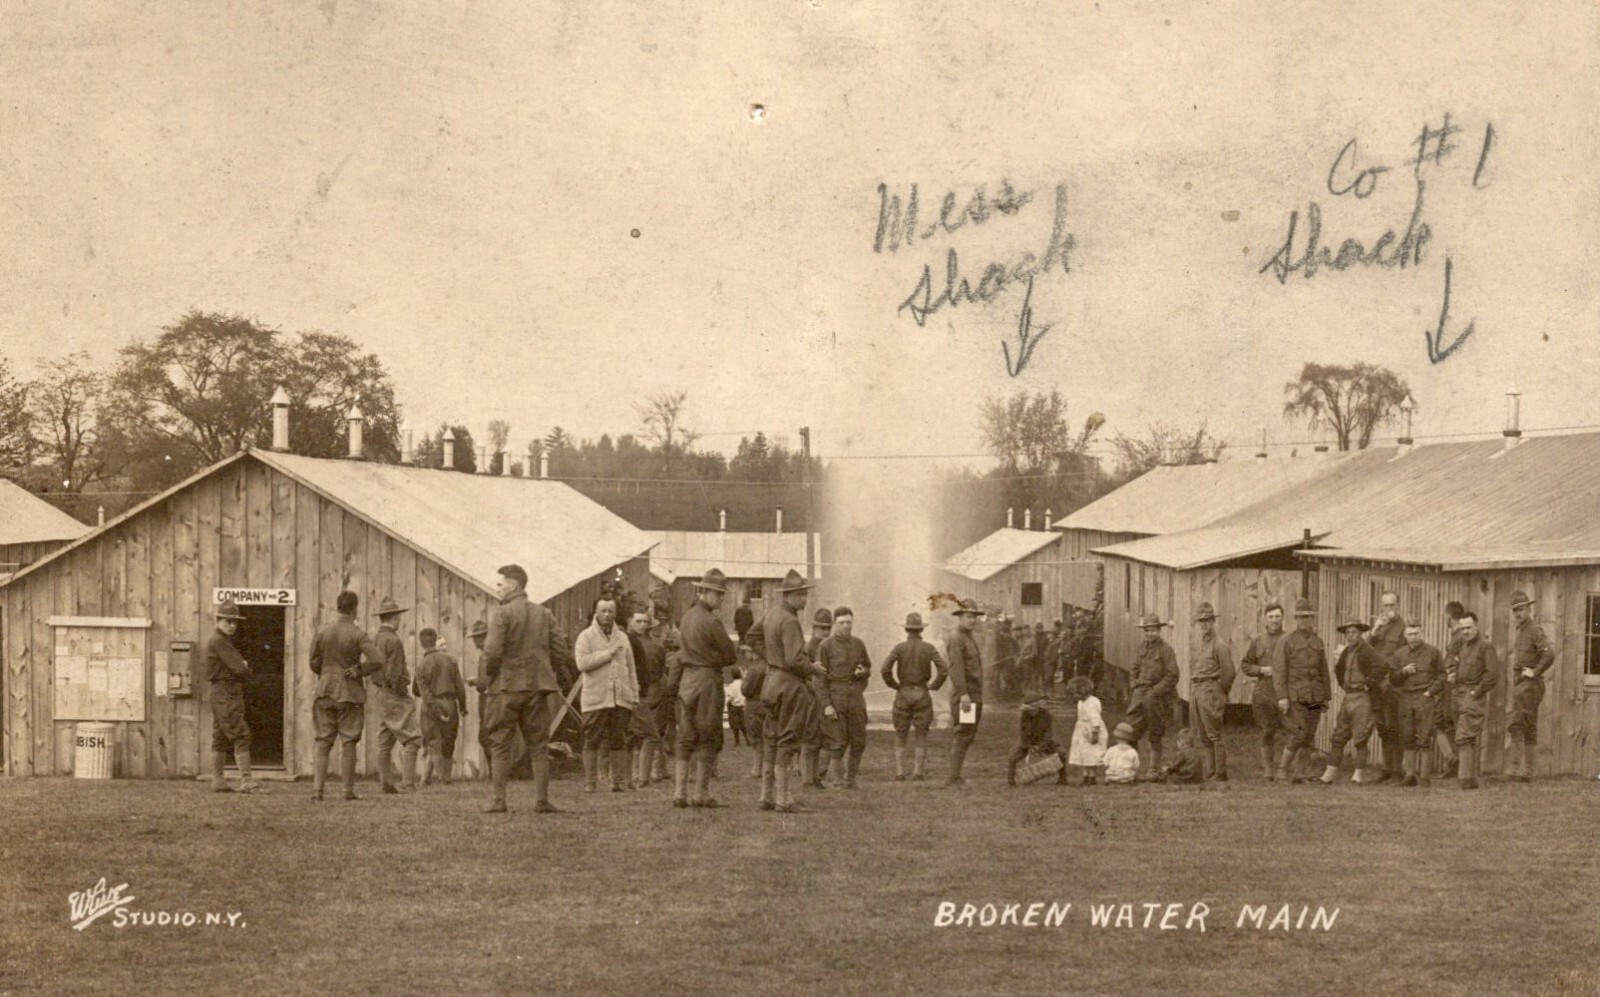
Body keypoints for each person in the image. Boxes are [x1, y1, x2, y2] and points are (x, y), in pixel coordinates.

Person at [482, 563, 574, 814]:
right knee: (538, 746)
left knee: (500, 743)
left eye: (500, 584)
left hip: (506, 688)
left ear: (512, 586)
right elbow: (561, 652)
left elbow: (491, 652)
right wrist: (545, 671)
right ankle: (542, 801)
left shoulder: (502, 614)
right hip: (536, 688)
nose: (497, 589)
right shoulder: (544, 614)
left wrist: (491, 676)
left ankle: (499, 801)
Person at [747, 569, 825, 812]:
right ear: (790, 595)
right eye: (801, 594)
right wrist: (814, 669)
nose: (805, 599)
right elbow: (795, 660)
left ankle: (766, 796)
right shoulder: (790, 620)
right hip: (789, 686)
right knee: (789, 740)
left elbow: (751, 636)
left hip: (770, 683)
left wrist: (771, 657)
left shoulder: (771, 614)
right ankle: (784, 798)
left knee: (771, 738)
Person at [673, 568, 740, 808]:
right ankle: (700, 792)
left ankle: (679, 793)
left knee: (685, 736)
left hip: (687, 680)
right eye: (719, 594)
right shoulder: (712, 621)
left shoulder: (687, 617)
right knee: (708, 736)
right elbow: (731, 655)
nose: (721, 599)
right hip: (707, 682)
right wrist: (715, 658)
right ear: (707, 593)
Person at [308, 590, 384, 801]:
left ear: (338, 607)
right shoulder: (358, 634)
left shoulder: (322, 632)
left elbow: (313, 661)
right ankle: (347, 792)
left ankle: (317, 792)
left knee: (323, 741)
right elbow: (378, 659)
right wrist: (359, 670)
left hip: (324, 691)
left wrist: (326, 675)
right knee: (349, 741)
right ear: (354, 608)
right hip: (349, 692)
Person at [575, 597, 639, 794]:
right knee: (592, 739)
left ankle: (617, 782)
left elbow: (631, 668)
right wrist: (607, 653)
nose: (607, 615)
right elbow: (582, 663)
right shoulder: (586, 637)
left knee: (618, 739)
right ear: (595, 612)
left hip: (620, 698)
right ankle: (590, 782)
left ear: (616, 614)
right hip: (595, 698)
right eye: (603, 610)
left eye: (611, 611)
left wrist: (634, 693)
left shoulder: (623, 638)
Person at [880, 612, 948, 781]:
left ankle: (900, 772)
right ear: (920, 630)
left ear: (907, 630)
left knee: (900, 732)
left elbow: (884, 669)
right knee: (921, 733)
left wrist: (894, 685)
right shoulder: (929, 648)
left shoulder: (899, 648)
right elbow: (944, 669)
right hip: (922, 693)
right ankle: (918, 772)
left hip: (903, 693)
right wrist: (934, 685)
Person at [1271, 598, 1331, 784]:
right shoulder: (1286, 641)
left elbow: (1324, 670)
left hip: (1314, 696)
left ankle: (1301, 773)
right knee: (1298, 732)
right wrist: (1282, 697)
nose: (1305, 621)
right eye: (1302, 617)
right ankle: (1281, 772)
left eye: (1309, 617)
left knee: (1309, 733)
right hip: (1296, 695)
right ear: (1296, 619)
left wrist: (1326, 696)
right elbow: (1279, 671)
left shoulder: (1317, 641)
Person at [1321, 618, 1386, 785]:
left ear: (1360, 633)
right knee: (1338, 736)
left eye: (1354, 632)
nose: (1351, 636)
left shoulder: (1367, 650)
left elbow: (1382, 666)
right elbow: (1338, 669)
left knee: (1360, 737)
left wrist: (1368, 684)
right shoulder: (1347, 651)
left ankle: (1358, 776)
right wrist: (1344, 684)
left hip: (1363, 699)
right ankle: (1329, 774)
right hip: (1348, 697)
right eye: (1348, 633)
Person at [815, 606, 872, 789]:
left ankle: (850, 780)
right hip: (835, 696)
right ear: (834, 624)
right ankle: (837, 781)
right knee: (837, 742)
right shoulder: (825, 646)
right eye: (842, 623)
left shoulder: (859, 644)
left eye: (849, 622)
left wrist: (863, 674)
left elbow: (867, 668)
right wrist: (826, 705)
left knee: (859, 740)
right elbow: (819, 679)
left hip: (855, 697)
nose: (846, 626)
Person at [206, 600, 258, 794]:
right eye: (228, 621)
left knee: (220, 736)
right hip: (226, 692)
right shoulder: (220, 641)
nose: (232, 625)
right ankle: (246, 780)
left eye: (235, 622)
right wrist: (244, 665)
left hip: (221, 692)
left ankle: (218, 780)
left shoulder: (220, 641)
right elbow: (241, 668)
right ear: (218, 620)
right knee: (241, 734)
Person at [371, 597, 422, 794]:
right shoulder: (393, 640)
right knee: (413, 739)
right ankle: (408, 783)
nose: (400, 620)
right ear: (393, 618)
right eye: (398, 616)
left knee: (385, 740)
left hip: (382, 694)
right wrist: (403, 692)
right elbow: (394, 673)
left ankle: (386, 783)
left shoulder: (376, 638)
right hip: (394, 693)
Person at [1506, 590, 1555, 782]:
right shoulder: (1521, 630)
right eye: (1515, 610)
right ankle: (1529, 772)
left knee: (1517, 724)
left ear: (1528, 609)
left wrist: (1534, 672)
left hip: (1530, 684)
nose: (1518, 613)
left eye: (1521, 609)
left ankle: (1516, 770)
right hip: (1523, 683)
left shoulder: (1534, 630)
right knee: (1529, 726)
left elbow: (1549, 654)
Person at [1126, 614, 1179, 779]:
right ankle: (1129, 768)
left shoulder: (1166, 650)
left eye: (1153, 630)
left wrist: (1156, 690)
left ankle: (1153, 769)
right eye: (1147, 630)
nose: (1150, 634)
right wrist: (1133, 682)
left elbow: (1172, 675)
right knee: (1130, 731)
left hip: (1156, 696)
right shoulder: (1141, 647)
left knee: (1155, 732)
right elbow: (1134, 668)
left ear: (1159, 630)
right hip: (1139, 695)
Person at [1392, 621, 1445, 787]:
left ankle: (1425, 777)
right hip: (1406, 699)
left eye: (1416, 634)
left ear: (1421, 633)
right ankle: (1409, 776)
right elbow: (1392, 678)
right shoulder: (1399, 655)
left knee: (1424, 738)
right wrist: (1403, 672)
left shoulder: (1433, 652)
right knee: (1407, 737)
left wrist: (1430, 692)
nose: (1413, 638)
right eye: (1410, 634)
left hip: (1424, 698)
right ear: (1405, 636)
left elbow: (1442, 676)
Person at [1449, 611, 1498, 790]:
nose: (1466, 631)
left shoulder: (1486, 647)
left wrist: (1476, 691)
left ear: (1477, 627)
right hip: (1459, 694)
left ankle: (1464, 780)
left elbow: (1493, 675)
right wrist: (1452, 673)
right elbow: (1451, 659)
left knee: (1463, 737)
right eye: (1462, 628)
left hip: (1473, 696)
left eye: (1469, 627)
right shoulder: (1461, 644)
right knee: (1468, 738)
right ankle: (1471, 780)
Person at [1240, 602, 1288, 781]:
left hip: (1284, 692)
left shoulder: (1289, 638)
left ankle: (1285, 769)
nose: (1274, 620)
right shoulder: (1258, 640)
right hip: (1264, 691)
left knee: (1291, 730)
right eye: (1271, 617)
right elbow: (1245, 664)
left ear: (1283, 617)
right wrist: (1260, 670)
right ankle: (1269, 771)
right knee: (1267, 731)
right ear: (1265, 619)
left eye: (1277, 616)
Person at [413, 627, 467, 785]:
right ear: (435, 640)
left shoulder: (421, 665)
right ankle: (432, 779)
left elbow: (420, 692)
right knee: (449, 743)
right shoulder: (451, 660)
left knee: (433, 743)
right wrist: (463, 707)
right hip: (451, 704)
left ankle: (444, 781)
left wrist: (436, 710)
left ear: (421, 644)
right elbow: (460, 687)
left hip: (431, 707)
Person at [1189, 602, 1236, 781]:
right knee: (1201, 733)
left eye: (1207, 620)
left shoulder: (1220, 645)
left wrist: (1220, 691)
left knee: (1214, 732)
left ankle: (1221, 773)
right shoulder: (1198, 641)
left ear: (1213, 621)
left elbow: (1230, 672)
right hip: (1197, 688)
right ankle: (1209, 772)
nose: (1204, 624)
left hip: (1210, 689)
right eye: (1201, 621)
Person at [1365, 591, 1407, 784]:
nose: (1389, 609)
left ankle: (1398, 770)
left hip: (1392, 682)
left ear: (1398, 606)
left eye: (1392, 605)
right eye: (1385, 606)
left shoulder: (1403, 628)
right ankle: (1387, 768)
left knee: (1394, 725)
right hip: (1376, 682)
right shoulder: (1380, 627)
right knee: (1382, 726)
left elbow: (1405, 655)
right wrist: (1375, 629)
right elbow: (1366, 648)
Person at [945, 599, 986, 786]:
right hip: (966, 696)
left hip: (974, 694)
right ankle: (954, 777)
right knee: (963, 733)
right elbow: (956, 669)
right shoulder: (956, 638)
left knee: (969, 733)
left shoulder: (968, 637)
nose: (972, 620)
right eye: (969, 616)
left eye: (974, 617)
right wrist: (963, 694)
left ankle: (956, 775)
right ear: (960, 617)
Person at [625, 608, 668, 788]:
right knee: (652, 734)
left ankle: (628, 775)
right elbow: (658, 674)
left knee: (629, 736)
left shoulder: (622, 640)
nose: (642, 625)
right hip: (646, 692)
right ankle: (648, 775)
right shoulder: (657, 648)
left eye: (644, 622)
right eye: (638, 621)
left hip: (631, 692)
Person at [801, 608, 834, 790]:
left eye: (828, 628)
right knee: (810, 738)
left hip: (824, 698)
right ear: (814, 628)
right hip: (811, 697)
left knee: (821, 738)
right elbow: (804, 673)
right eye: (822, 628)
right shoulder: (809, 648)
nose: (826, 631)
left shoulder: (829, 646)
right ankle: (808, 779)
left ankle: (815, 778)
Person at [1007, 694, 1068, 786]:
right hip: (1027, 742)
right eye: (1028, 710)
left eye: (1032, 709)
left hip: (1044, 741)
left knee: (1061, 753)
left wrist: (1041, 746)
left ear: (1038, 707)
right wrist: (1028, 746)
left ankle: (1062, 778)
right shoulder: (1024, 715)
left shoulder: (1047, 715)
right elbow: (1022, 732)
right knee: (1012, 757)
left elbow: (1048, 733)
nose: (1031, 712)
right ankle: (1011, 781)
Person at [1066, 675, 1105, 785]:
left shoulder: (1092, 702)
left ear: (1082, 691)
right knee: (1084, 753)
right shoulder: (1081, 702)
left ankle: (1092, 777)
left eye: (1075, 693)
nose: (1074, 696)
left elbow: (1095, 719)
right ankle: (1085, 775)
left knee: (1092, 753)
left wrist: (1095, 733)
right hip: (1082, 730)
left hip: (1091, 729)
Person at [725, 670, 746, 746]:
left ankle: (737, 742)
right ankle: (748, 740)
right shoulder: (744, 683)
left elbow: (729, 697)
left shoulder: (731, 686)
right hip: (742, 706)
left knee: (735, 726)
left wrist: (727, 703)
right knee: (743, 724)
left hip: (734, 707)